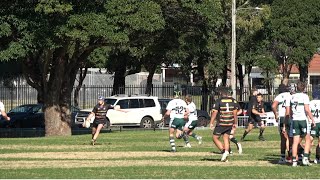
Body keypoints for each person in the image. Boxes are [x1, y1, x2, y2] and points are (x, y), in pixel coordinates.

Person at [285, 81, 315, 166]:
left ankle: (294, 161)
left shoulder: (292, 97)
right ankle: (305, 158)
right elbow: (307, 110)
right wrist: (312, 119)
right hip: (302, 120)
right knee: (308, 139)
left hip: (295, 120)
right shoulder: (305, 96)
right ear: (304, 88)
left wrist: (292, 117)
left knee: (295, 141)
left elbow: (290, 111)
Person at [210, 87, 238, 162]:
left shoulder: (219, 101)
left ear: (221, 93)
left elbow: (215, 112)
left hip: (222, 123)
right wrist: (235, 123)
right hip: (230, 122)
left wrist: (211, 122)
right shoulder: (233, 101)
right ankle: (226, 154)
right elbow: (235, 113)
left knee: (215, 138)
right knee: (226, 138)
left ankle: (223, 151)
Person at [272, 84, 293, 164]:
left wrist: (276, 114)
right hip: (290, 117)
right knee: (291, 137)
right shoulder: (291, 95)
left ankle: (282, 157)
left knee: (283, 138)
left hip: (282, 117)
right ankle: (291, 155)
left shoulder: (279, 96)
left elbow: (273, 106)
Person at [309, 90, 320, 164]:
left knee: (310, 140)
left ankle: (305, 155)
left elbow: (307, 112)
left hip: (313, 123)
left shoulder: (310, 103)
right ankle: (317, 157)